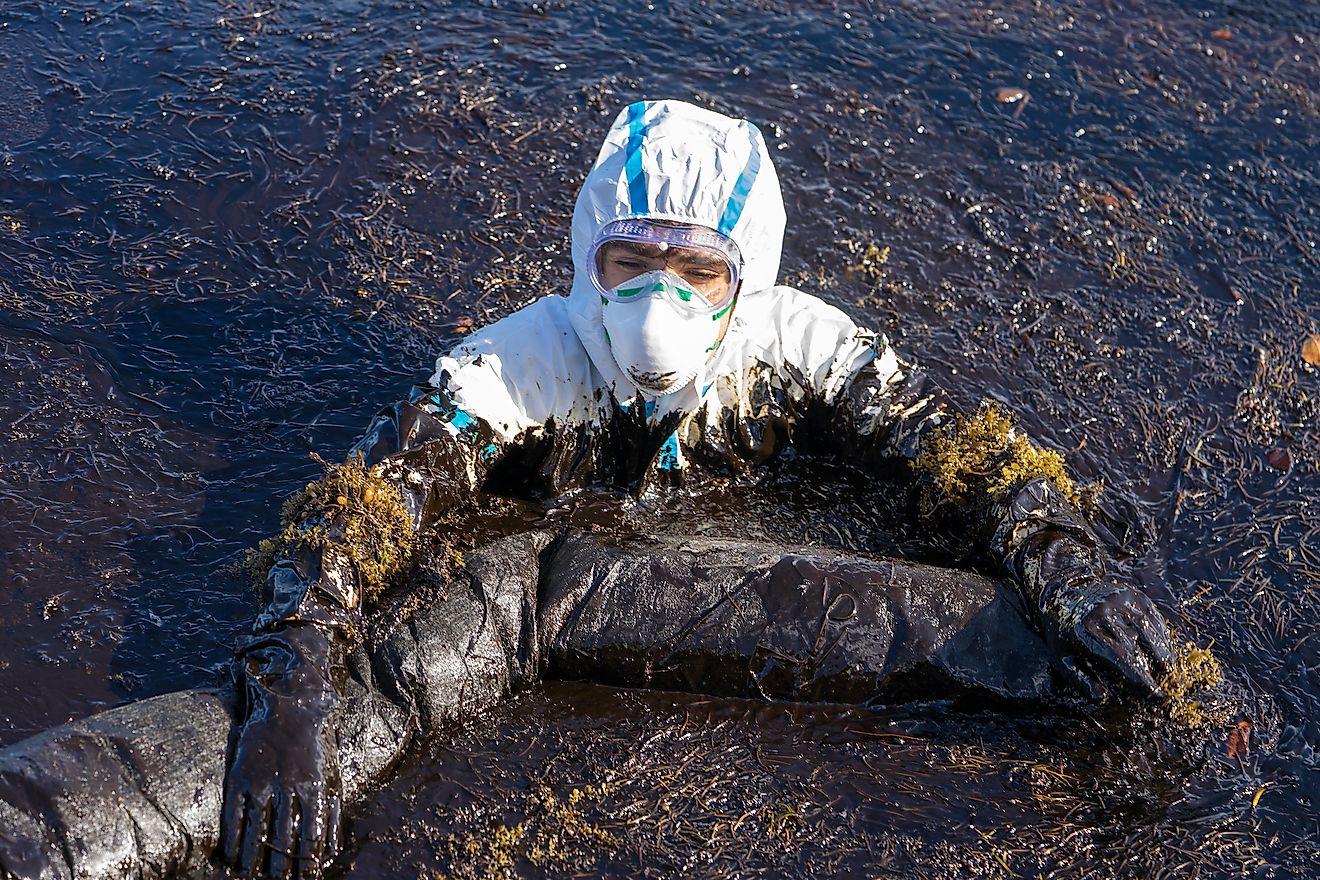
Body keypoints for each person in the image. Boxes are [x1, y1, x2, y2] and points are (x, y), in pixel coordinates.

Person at [217, 99, 1174, 878]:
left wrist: (1066, 568)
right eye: (629, 263)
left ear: (745, 279)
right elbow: (372, 501)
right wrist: (292, 677)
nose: (656, 302)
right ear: (589, 259)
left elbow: (961, 455)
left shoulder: (801, 348)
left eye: (696, 271)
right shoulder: (519, 367)